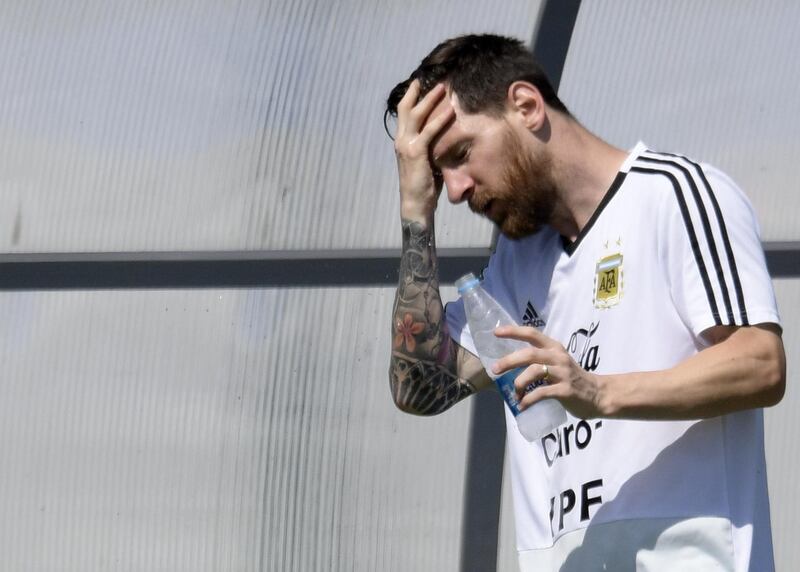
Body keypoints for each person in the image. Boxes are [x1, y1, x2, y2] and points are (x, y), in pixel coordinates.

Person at [385, 34, 786, 571]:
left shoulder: (673, 194)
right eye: (440, 176)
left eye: (460, 155)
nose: (455, 190)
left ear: (525, 106)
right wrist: (416, 209)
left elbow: (760, 363)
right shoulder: (513, 265)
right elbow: (420, 387)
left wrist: (598, 391)